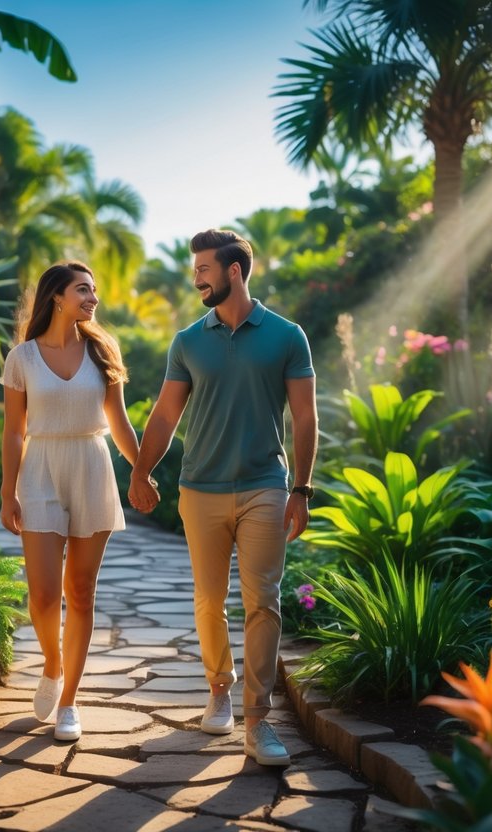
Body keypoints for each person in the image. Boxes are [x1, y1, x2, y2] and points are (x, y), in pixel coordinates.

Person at [128, 228, 318, 766]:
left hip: (265, 485)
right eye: (195, 271)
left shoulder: (286, 335)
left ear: (234, 271)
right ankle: (218, 689)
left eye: (204, 270)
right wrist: (142, 472)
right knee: (210, 600)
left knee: (263, 601)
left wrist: (302, 489)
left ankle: (258, 721)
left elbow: (305, 415)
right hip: (201, 489)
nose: (196, 279)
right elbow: (165, 415)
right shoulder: (188, 341)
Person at [0, 260, 141, 742]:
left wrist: (141, 471)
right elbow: (14, 432)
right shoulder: (22, 358)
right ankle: (52, 664)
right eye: (84, 289)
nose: (93, 297)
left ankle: (69, 702)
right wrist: (7, 491)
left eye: (95, 290)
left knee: (80, 591)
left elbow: (119, 423)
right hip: (40, 469)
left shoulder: (102, 350)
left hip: (92, 465)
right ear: (57, 296)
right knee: (41, 594)